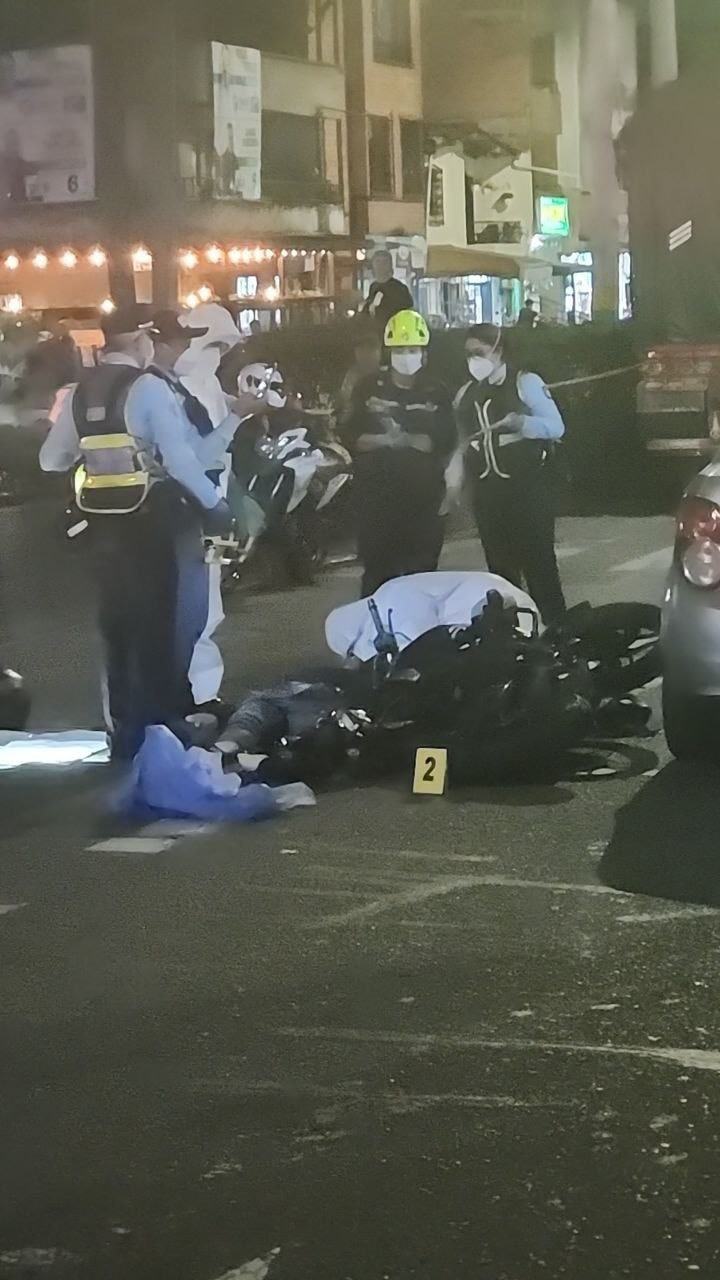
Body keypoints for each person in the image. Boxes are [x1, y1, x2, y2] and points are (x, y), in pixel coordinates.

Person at [39, 304, 241, 759]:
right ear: (140, 340)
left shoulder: (81, 390)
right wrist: (215, 506)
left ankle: (124, 731)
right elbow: (180, 461)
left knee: (118, 625)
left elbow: (50, 459)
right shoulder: (147, 387)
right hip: (151, 522)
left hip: (102, 526)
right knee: (158, 626)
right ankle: (161, 731)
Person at [451, 322, 566, 622]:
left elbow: (556, 427)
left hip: (529, 490)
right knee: (500, 573)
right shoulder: (466, 393)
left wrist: (524, 424)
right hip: (489, 495)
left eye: (479, 352)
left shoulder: (526, 383)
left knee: (539, 566)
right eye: (469, 354)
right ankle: (516, 634)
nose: (473, 360)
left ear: (498, 350)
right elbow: (460, 438)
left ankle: (557, 630)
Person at [343, 309, 456, 597]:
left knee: (422, 580)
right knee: (377, 579)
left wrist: (404, 438)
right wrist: (388, 440)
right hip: (377, 503)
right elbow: (352, 437)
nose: (407, 356)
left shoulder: (436, 392)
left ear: (424, 354)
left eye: (413, 350)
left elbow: (442, 441)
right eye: (400, 350)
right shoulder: (368, 389)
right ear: (388, 353)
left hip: (423, 504)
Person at [362, 250, 414, 336]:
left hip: (395, 334)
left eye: (384, 262)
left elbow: (408, 312)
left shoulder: (400, 288)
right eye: (377, 261)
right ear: (373, 265)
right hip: (375, 334)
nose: (380, 265)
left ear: (390, 265)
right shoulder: (373, 287)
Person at [337, 330, 382, 427]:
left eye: (369, 349)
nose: (363, 354)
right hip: (356, 424)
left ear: (378, 351)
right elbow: (345, 400)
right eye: (359, 350)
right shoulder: (352, 374)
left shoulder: (387, 375)